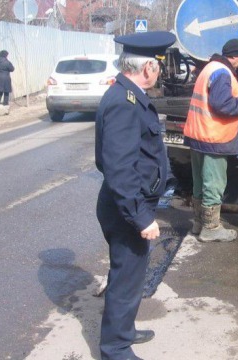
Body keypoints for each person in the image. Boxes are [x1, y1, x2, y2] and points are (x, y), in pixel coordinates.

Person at [95, 31, 176, 360]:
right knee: (125, 278)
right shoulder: (124, 104)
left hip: (129, 202)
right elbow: (119, 169)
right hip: (126, 207)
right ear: (147, 69)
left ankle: (124, 331)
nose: (159, 72)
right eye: (158, 66)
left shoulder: (130, 96)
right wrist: (141, 216)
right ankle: (114, 349)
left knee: (130, 274)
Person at [183, 39, 238, 242]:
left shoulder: (209, 68)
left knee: (199, 181)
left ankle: (199, 223)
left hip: (198, 134)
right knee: (214, 182)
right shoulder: (223, 73)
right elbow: (221, 104)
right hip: (213, 136)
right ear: (235, 55)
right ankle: (211, 228)